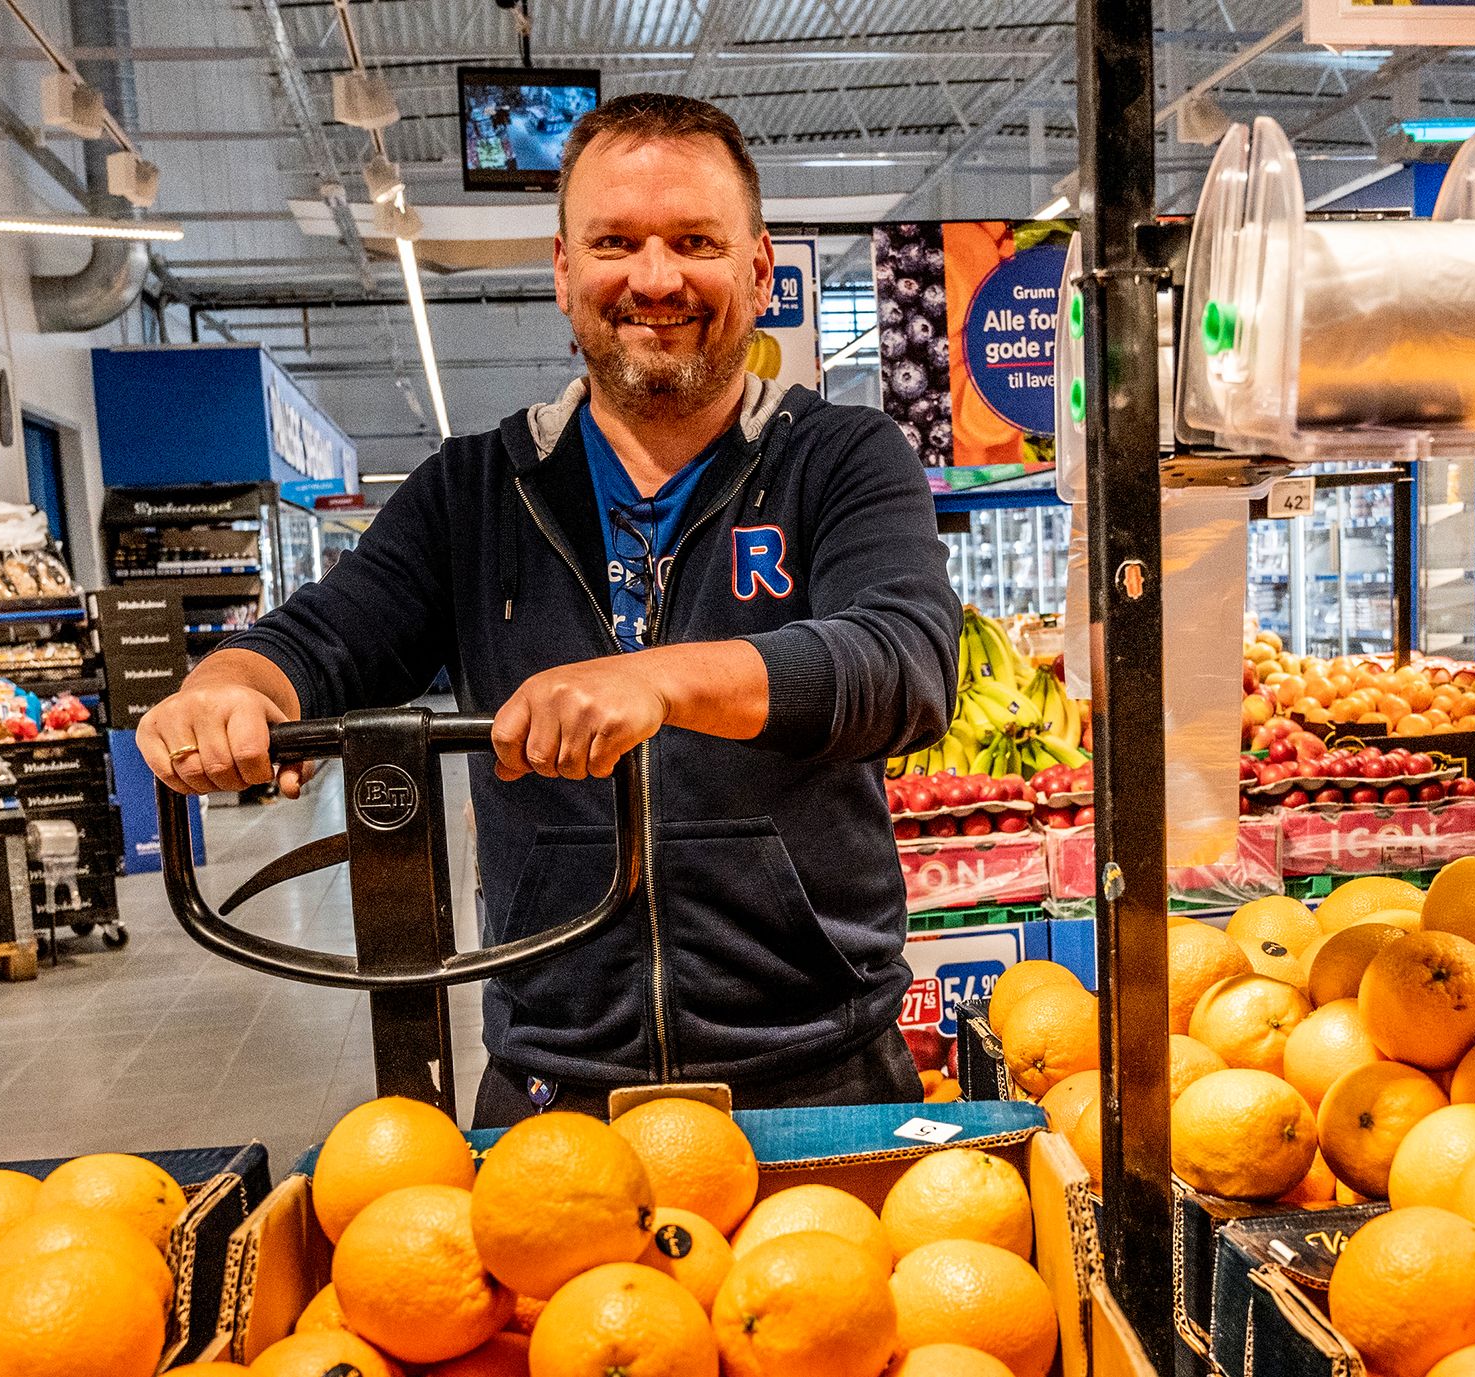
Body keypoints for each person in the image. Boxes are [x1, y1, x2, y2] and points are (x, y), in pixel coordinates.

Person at [138, 92, 962, 1126]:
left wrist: (655, 681)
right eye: (614, 241)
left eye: (692, 242)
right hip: (551, 1090)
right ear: (562, 270)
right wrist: (225, 687)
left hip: (819, 1070)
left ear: (756, 270)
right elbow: (321, 642)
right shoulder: (473, 491)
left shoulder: (840, 459)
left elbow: (903, 664)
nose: (653, 279)